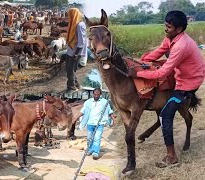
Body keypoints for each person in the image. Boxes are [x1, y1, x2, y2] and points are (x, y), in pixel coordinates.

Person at [129, 10, 205, 168]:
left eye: (168, 27)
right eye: (165, 25)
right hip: (181, 75)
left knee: (165, 114)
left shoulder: (182, 45)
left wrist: (139, 73)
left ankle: (171, 157)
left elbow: (163, 72)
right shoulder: (171, 38)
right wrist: (143, 60)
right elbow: (160, 51)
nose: (166, 29)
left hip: (189, 82)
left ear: (179, 29)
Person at [76, 88, 116, 160]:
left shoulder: (104, 102)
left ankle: (96, 152)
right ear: (93, 94)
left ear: (100, 95)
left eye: (98, 95)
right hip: (90, 123)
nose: (96, 96)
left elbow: (110, 111)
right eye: (95, 94)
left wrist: (113, 119)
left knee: (97, 138)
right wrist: (76, 118)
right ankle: (90, 149)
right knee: (89, 138)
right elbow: (83, 111)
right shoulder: (88, 102)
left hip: (100, 124)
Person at [65, 8, 87, 92]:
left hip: (75, 52)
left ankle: (72, 87)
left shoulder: (80, 25)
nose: (68, 17)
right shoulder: (73, 24)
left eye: (70, 15)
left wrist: (76, 54)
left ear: (74, 15)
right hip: (70, 51)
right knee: (69, 69)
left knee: (70, 70)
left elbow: (82, 42)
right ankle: (76, 84)